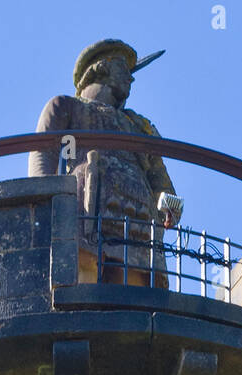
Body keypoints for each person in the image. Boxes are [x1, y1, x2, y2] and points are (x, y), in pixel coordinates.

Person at [28, 39, 182, 287]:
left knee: (134, 295)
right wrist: (46, 206)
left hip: (138, 219)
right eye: (123, 69)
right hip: (87, 209)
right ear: (101, 67)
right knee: (86, 281)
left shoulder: (139, 126)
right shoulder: (66, 106)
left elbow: (159, 179)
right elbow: (42, 157)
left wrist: (169, 207)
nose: (130, 79)